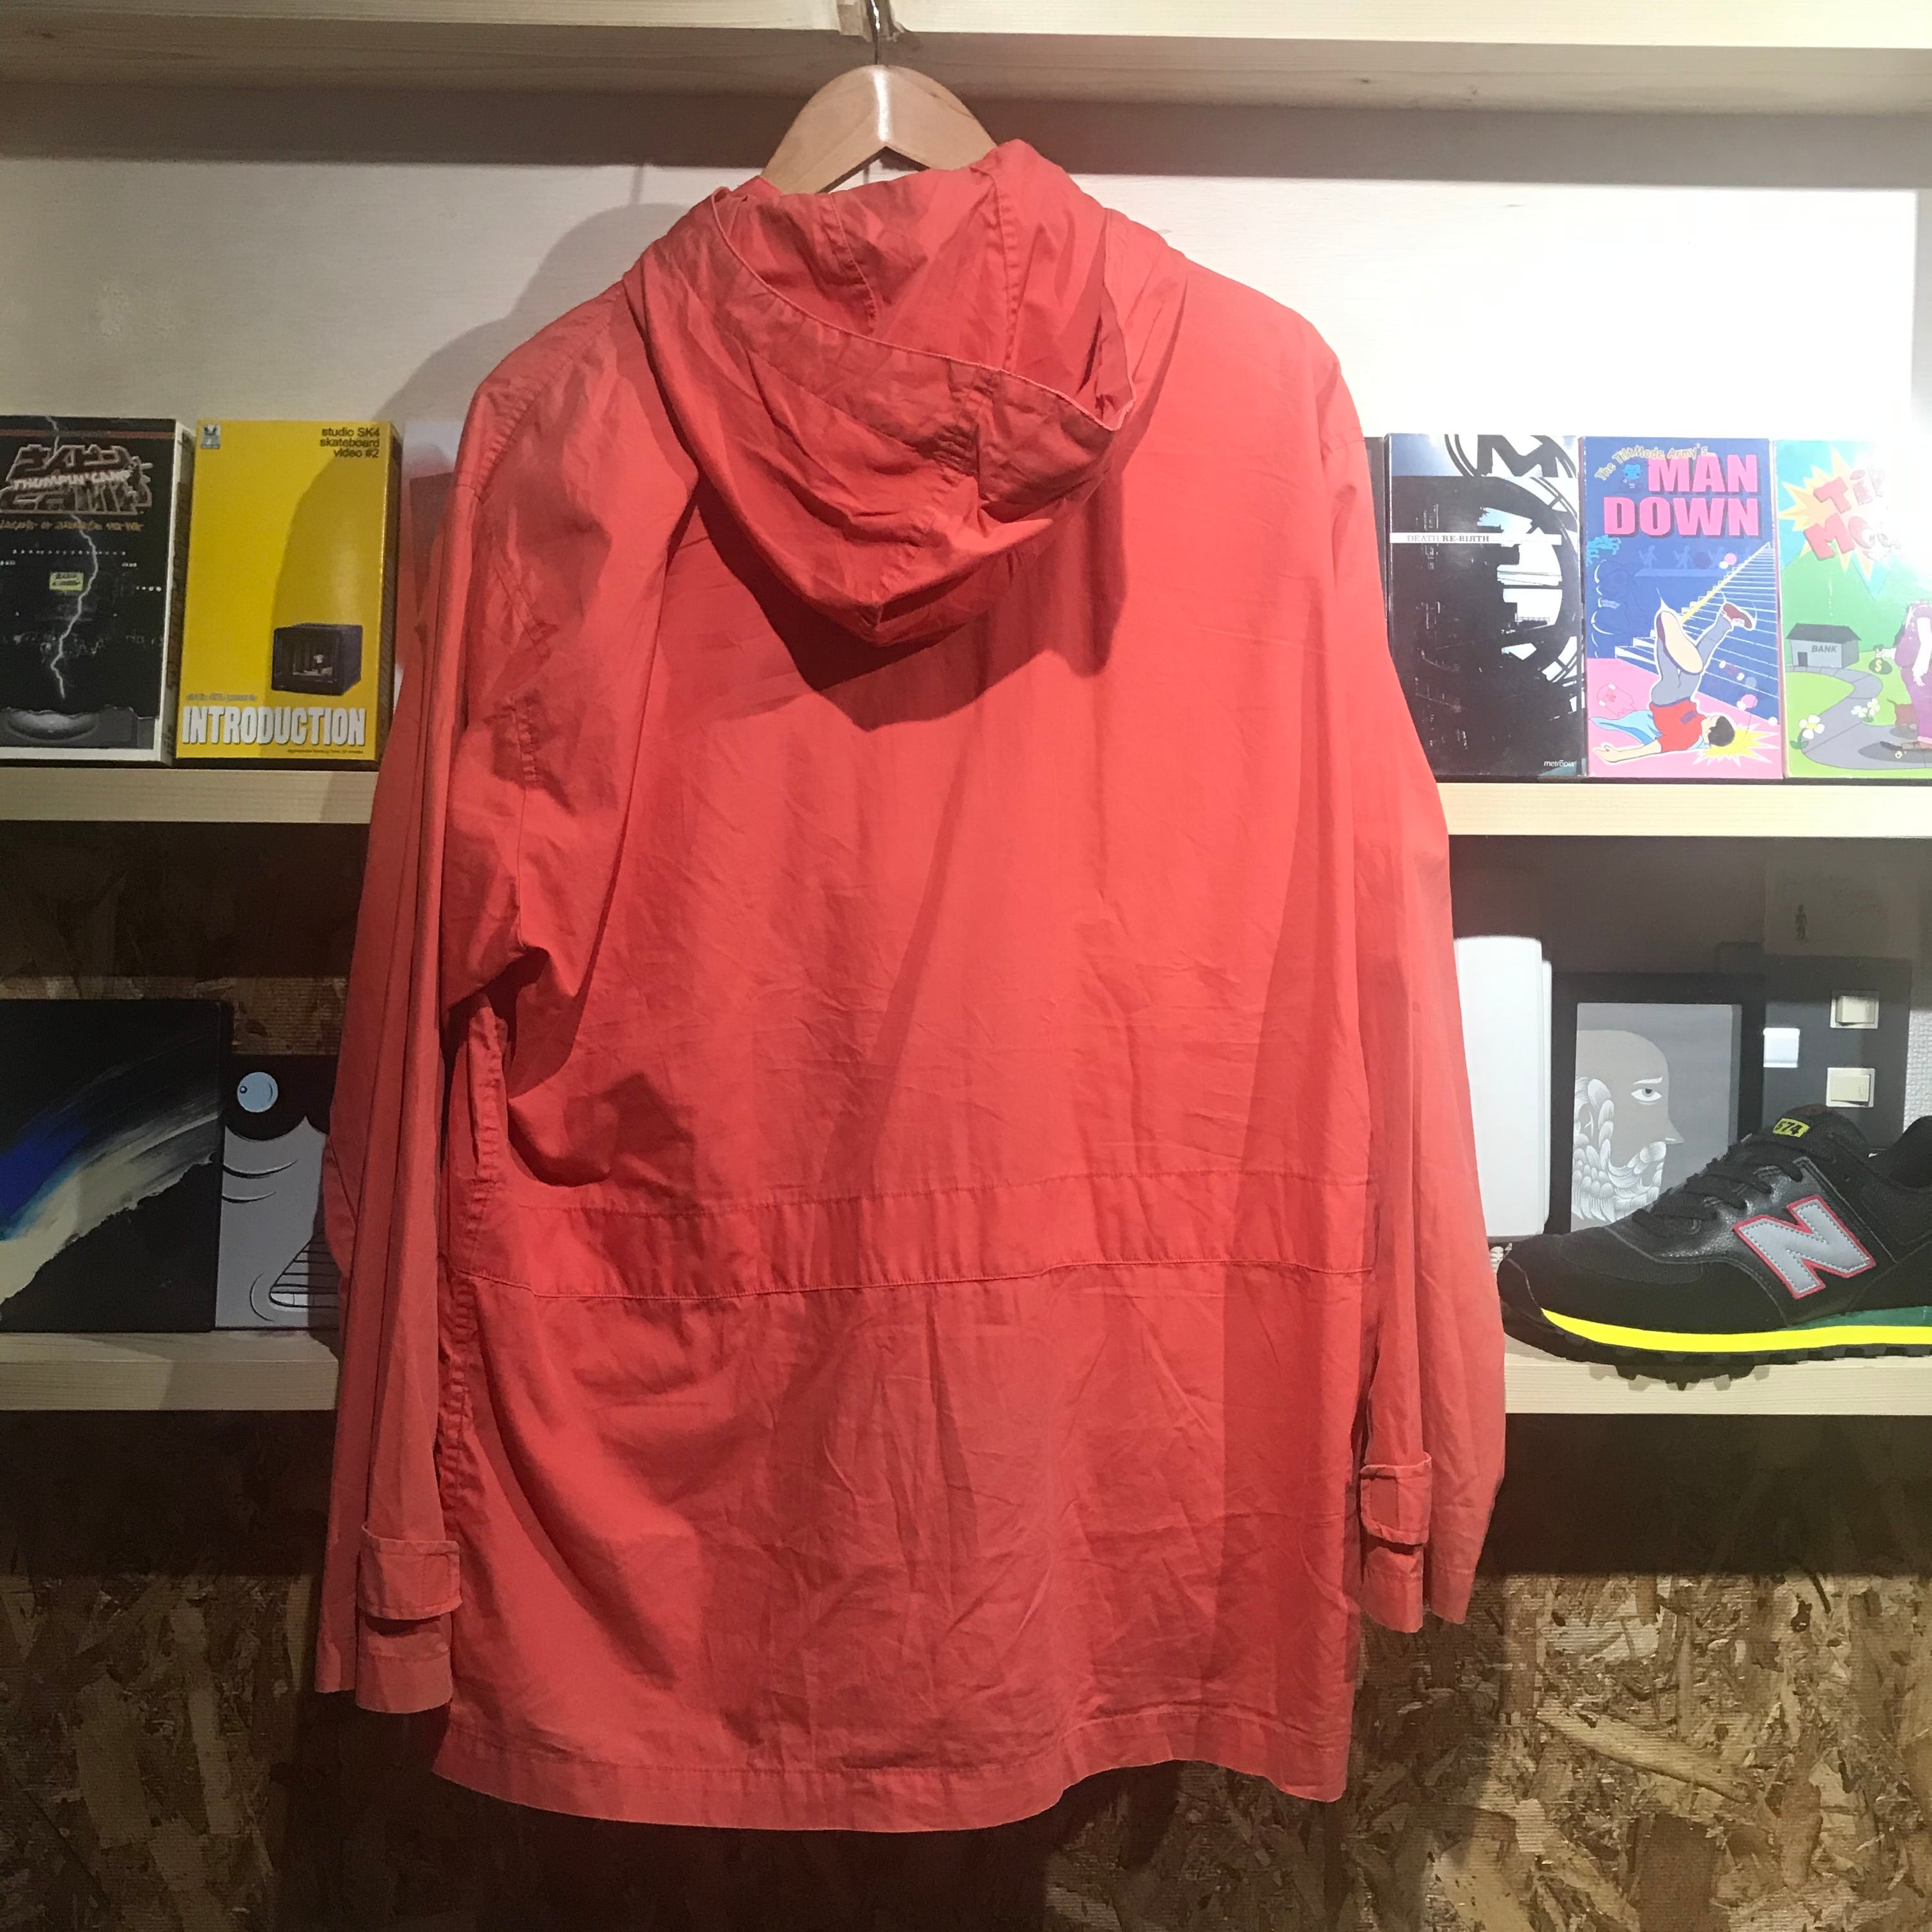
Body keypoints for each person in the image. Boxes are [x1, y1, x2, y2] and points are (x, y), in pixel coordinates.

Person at [1593, 598, 1753, 763]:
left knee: (1671, 678)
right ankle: (1725, 620)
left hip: (1664, 702)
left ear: (1708, 733)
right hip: (1684, 697)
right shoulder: (1702, 724)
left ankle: (1664, 636)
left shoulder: (1685, 740)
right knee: (1697, 670)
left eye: (1711, 719)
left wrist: (1618, 756)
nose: (1709, 716)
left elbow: (1651, 749)